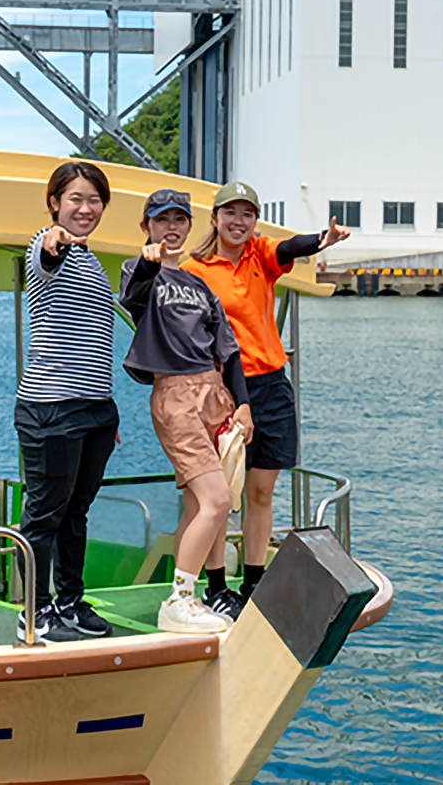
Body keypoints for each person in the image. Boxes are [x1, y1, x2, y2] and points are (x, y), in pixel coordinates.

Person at [183, 182, 349, 603]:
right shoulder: (195, 270)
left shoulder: (260, 256)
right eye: (230, 213)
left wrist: (320, 240)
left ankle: (254, 581)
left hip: (271, 386)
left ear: (254, 221)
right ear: (215, 218)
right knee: (220, 495)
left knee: (260, 491)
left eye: (246, 214)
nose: (238, 222)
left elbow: (291, 247)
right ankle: (217, 585)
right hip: (221, 391)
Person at [119, 189, 254, 633]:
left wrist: (244, 407)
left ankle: (192, 597)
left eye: (179, 220)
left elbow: (229, 352)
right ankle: (178, 599)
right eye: (162, 221)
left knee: (198, 503)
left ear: (190, 226)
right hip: (175, 394)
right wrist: (149, 260)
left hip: (215, 393)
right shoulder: (141, 273)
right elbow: (134, 295)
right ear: (147, 227)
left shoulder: (200, 286)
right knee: (218, 500)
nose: (171, 228)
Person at [14, 161, 120, 644]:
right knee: (45, 513)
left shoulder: (92, 260)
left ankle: (70, 603)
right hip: (52, 408)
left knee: (77, 511)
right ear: (55, 202)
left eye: (94, 200)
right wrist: (54, 240)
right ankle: (32, 613)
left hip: (94, 409)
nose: (86, 208)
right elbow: (46, 253)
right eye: (75, 198)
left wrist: (104, 410)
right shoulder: (46, 245)